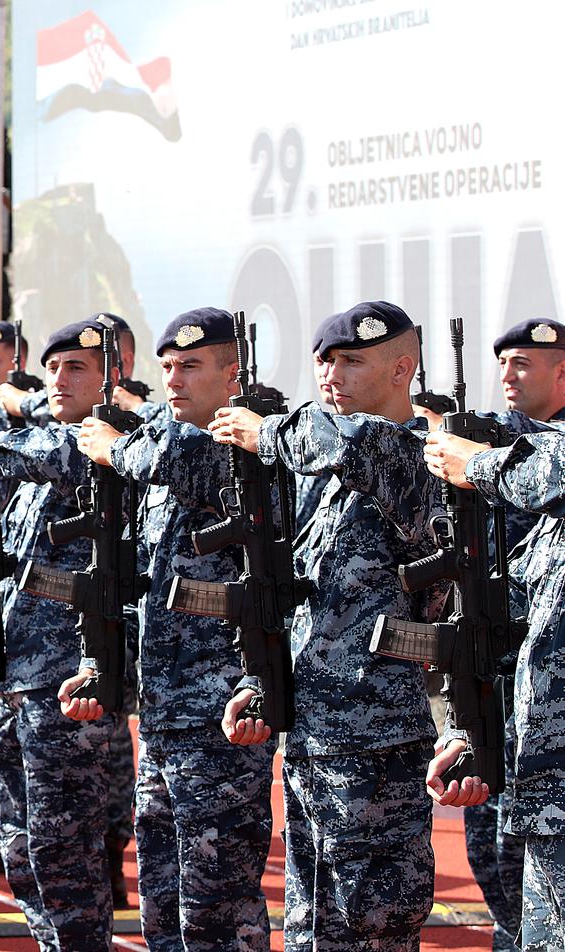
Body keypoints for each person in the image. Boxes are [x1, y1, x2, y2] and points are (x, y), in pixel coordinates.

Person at [209, 301, 450, 949]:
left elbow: (344, 440)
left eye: (350, 360)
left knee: (369, 929)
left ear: (402, 369)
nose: (329, 374)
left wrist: (263, 431)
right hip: (312, 736)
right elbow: (294, 600)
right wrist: (258, 681)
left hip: (374, 744)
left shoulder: (411, 458)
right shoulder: (321, 477)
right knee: (312, 929)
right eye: (322, 360)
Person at [73, 308, 275, 950]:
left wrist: (116, 444)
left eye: (191, 366)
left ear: (233, 372)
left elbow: (170, 454)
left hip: (221, 713)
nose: (175, 380)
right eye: (167, 368)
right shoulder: (161, 449)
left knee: (221, 899)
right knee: (165, 894)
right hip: (164, 709)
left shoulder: (246, 449)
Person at [0, 315, 126, 948]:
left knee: (64, 847)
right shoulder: (37, 451)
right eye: (54, 368)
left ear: (110, 378)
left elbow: (54, 453)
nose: (60, 379)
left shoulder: (105, 444)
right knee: (23, 850)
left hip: (70, 681)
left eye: (78, 368)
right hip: (19, 677)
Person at [424, 417, 565, 950]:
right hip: (546, 790)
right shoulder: (552, 522)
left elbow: (543, 471)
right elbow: (509, 635)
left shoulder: (546, 474)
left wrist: (475, 465)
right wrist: (465, 729)